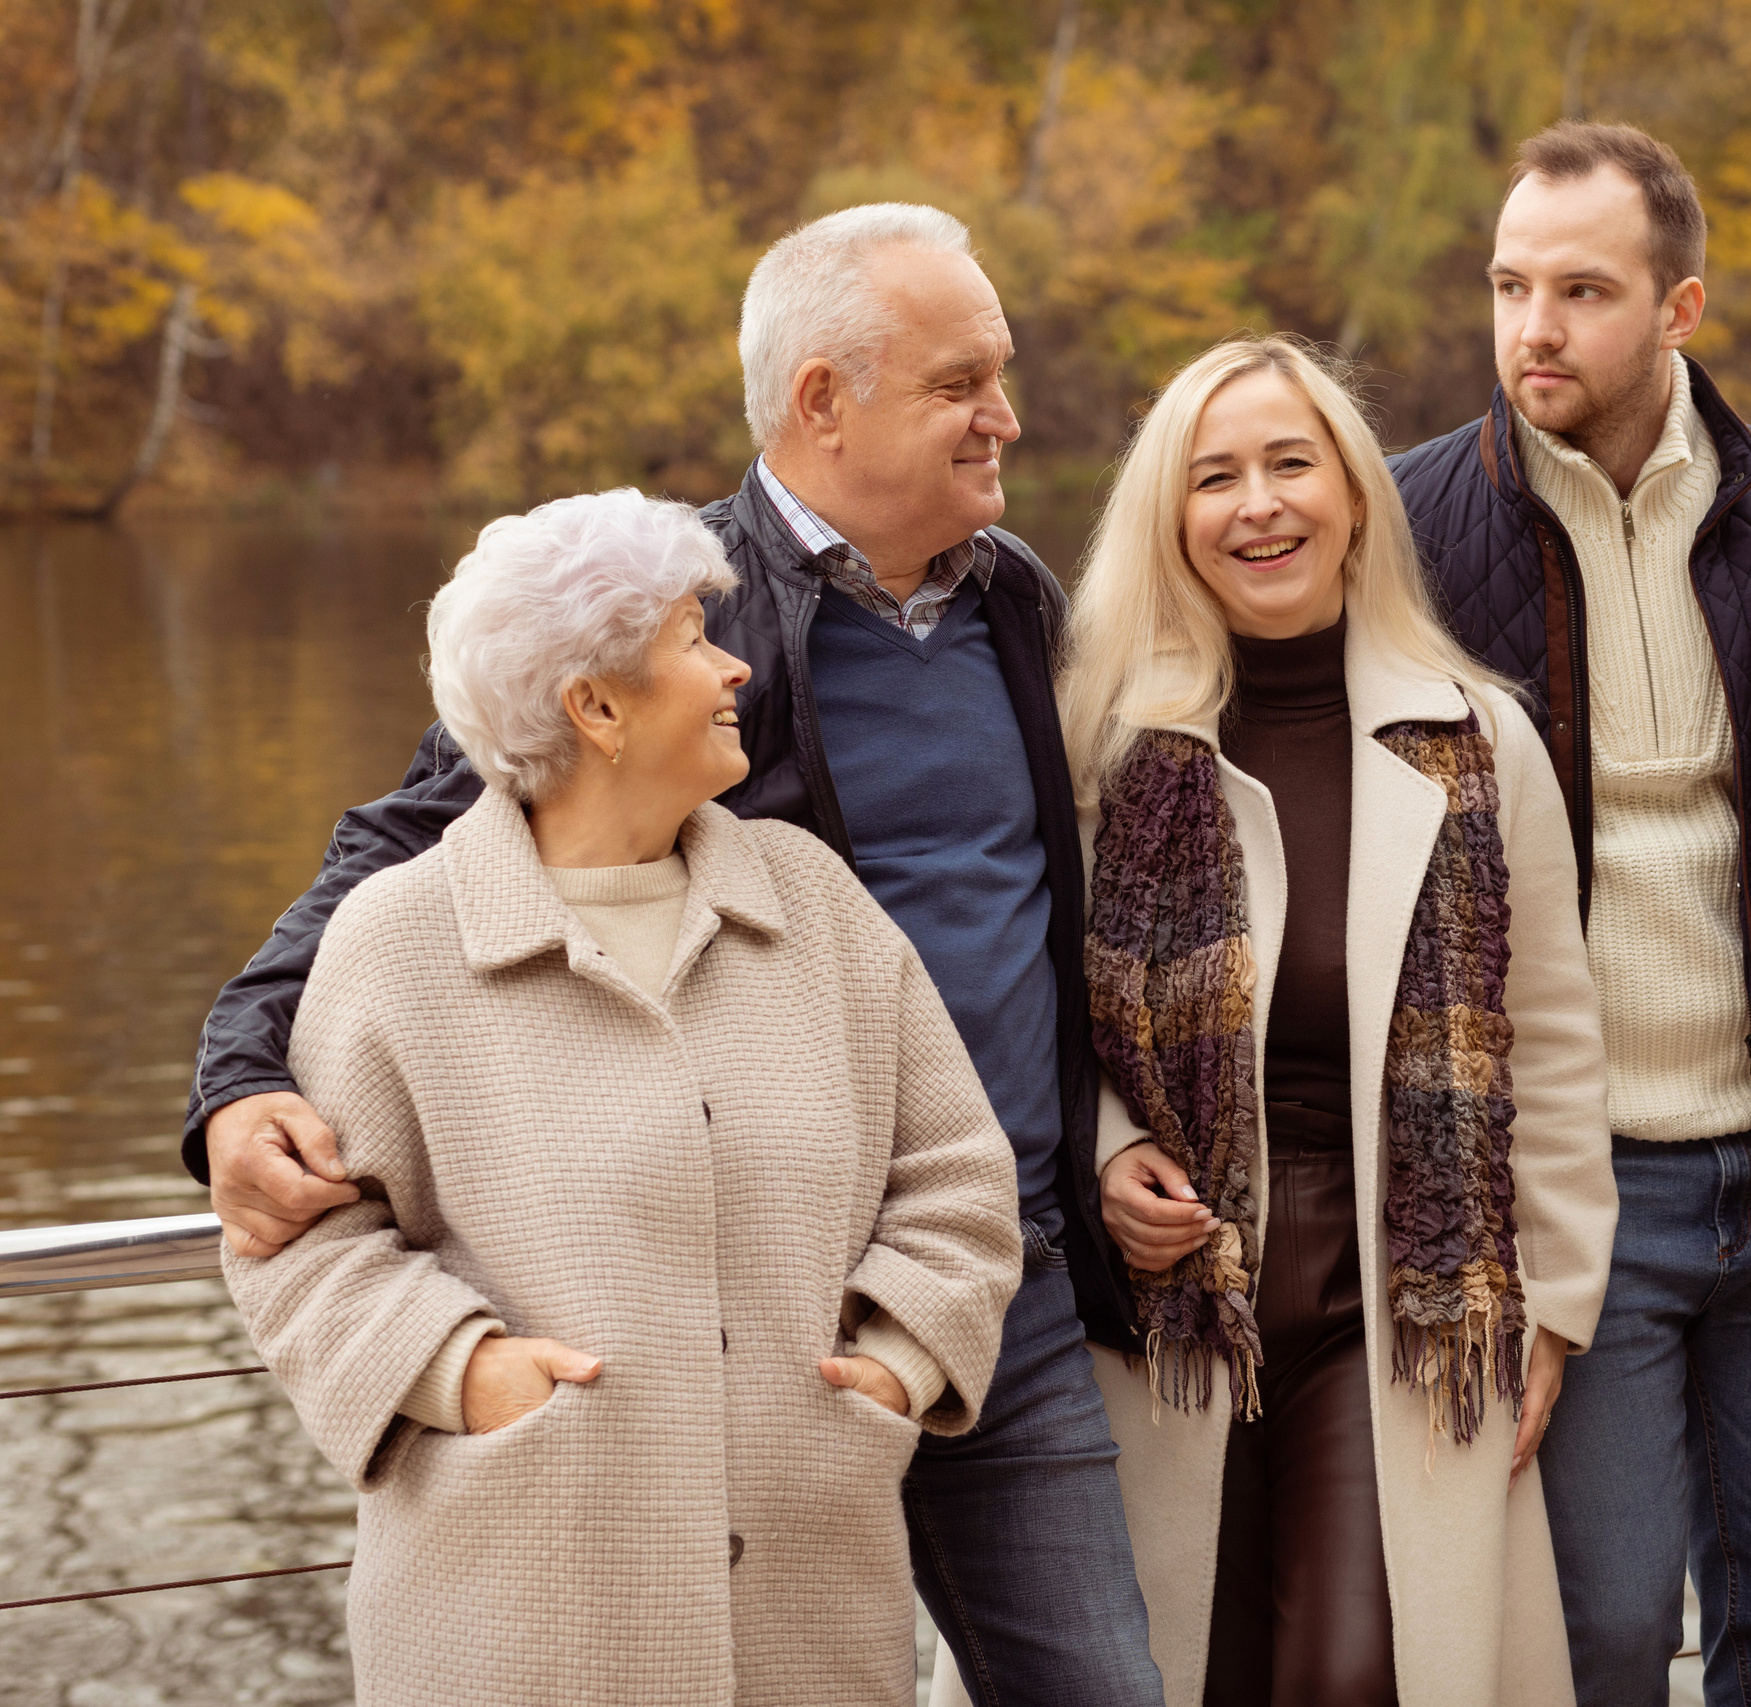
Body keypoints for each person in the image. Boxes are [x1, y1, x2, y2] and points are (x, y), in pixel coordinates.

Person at [182, 205, 1166, 1707]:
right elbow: (397, 861)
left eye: (1000, 374)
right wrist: (239, 1076)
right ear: (824, 400)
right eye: (961, 381)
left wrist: (1097, 1136)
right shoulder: (656, 607)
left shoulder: (1014, 596)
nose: (1006, 416)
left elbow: (1052, 910)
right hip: (729, 1310)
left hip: (991, 1282)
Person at [220, 490, 1023, 1704]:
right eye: (695, 639)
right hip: (514, 1621)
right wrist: (463, 1375)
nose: (736, 667)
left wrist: (901, 1364)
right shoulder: (397, 940)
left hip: (811, 1619)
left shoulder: (812, 901)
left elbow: (956, 1174)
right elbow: (302, 1242)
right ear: (595, 707)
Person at [1057, 334, 1618, 1707]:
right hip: (1175, 1295)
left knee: (1363, 1668)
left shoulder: (1480, 740)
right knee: (1186, 1667)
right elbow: (1044, 1010)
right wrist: (1107, 1149)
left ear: (1356, 496)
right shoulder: (1104, 747)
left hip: (1407, 1291)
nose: (1259, 505)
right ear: (1171, 521)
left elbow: (1549, 1035)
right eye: (1215, 477)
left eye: (1290, 464)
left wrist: (1551, 1309)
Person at [1390, 123, 1751, 1707]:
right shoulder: (1406, 532)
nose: (1534, 327)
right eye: (1510, 284)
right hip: (1579, 1191)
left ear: (1680, 308)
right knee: (1605, 1625)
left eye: (1582, 290)